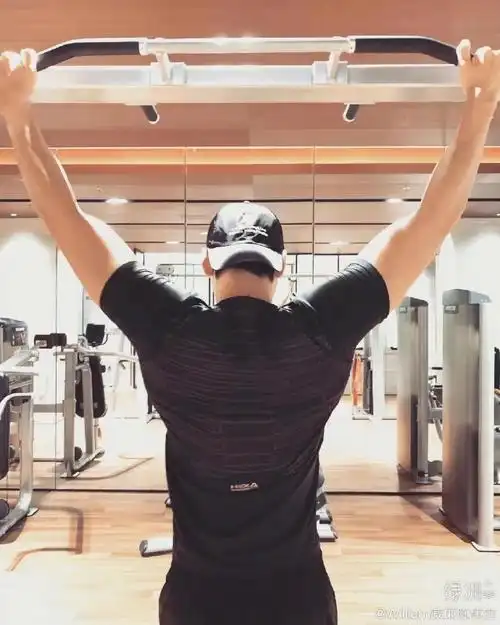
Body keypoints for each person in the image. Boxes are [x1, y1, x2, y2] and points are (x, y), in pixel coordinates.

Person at [0, 39, 498, 625]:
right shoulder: (321, 329)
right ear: (281, 268)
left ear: (208, 265)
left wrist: (17, 113)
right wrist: (479, 107)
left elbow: (65, 216)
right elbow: (431, 219)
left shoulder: (168, 328)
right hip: (299, 599)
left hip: (195, 599)